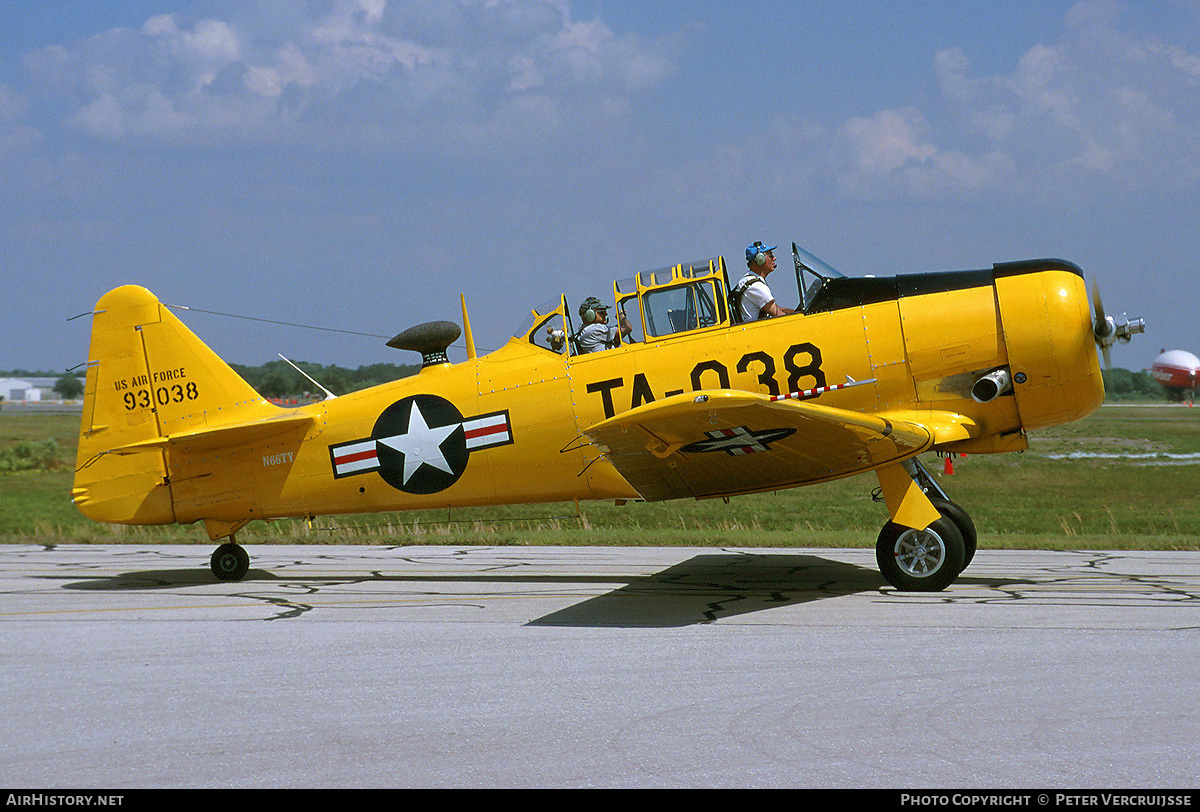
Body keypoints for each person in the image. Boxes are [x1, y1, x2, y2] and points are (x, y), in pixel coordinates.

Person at [733, 241, 794, 322]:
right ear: (760, 259)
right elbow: (780, 315)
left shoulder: (748, 281)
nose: (774, 258)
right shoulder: (756, 286)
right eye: (770, 255)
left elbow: (776, 308)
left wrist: (796, 312)